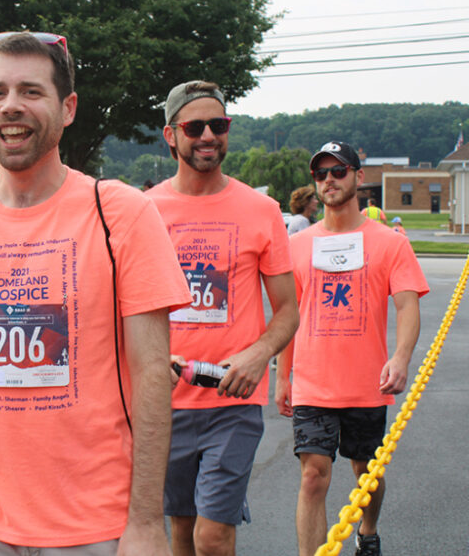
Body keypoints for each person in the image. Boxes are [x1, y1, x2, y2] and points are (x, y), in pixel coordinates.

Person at [0, 31, 191, 556]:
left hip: (94, 524)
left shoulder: (121, 213)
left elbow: (150, 374)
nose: (11, 107)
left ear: (67, 107)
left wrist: (144, 524)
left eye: (31, 91)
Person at [145, 80, 299, 556]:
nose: (209, 134)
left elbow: (289, 310)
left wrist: (258, 355)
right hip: (165, 404)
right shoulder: (145, 211)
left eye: (219, 124)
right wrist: (150, 359)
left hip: (232, 403)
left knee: (212, 534)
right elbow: (125, 308)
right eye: (195, 126)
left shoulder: (261, 210)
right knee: (181, 528)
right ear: (171, 135)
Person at [275, 141, 429, 556]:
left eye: (338, 171)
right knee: (313, 476)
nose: (329, 180)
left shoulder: (390, 243)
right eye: (321, 174)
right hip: (312, 384)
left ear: (359, 178)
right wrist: (282, 376)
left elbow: (407, 305)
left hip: (366, 383)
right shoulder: (298, 245)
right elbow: (289, 316)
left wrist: (400, 358)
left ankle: (368, 532)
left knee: (366, 474)